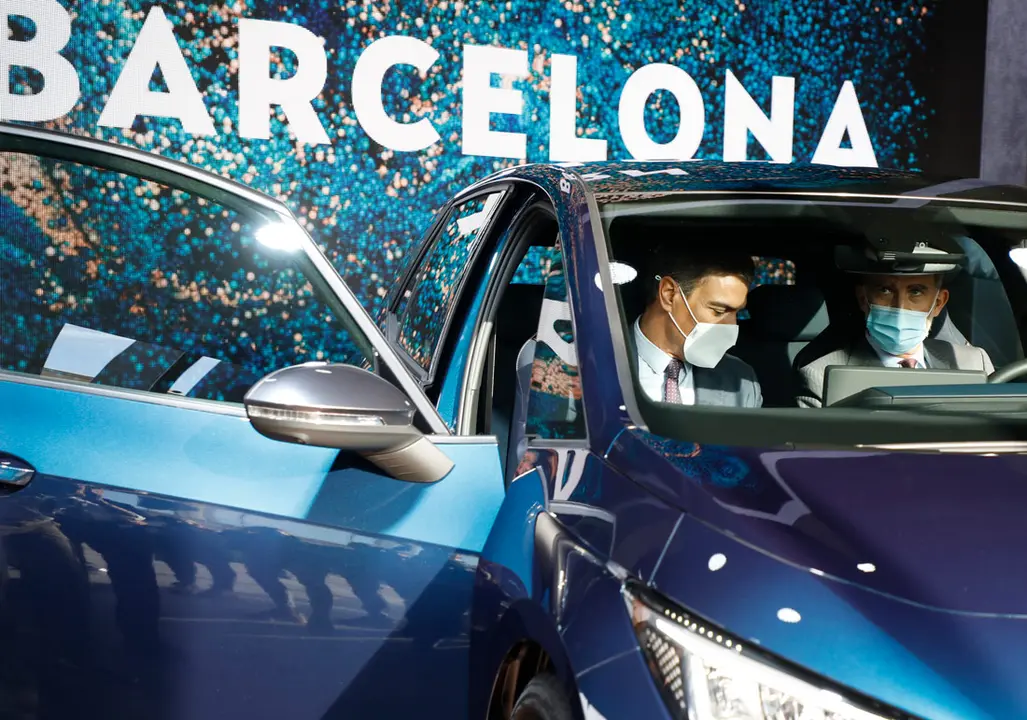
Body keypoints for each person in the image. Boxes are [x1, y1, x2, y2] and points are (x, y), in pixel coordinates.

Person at [795, 268, 994, 408]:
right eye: (886, 290)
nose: (900, 306)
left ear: (939, 303)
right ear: (863, 299)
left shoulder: (974, 363)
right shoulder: (821, 376)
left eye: (916, 291)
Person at [635, 250, 763, 407]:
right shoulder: (600, 364)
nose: (732, 326)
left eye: (737, 312)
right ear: (669, 295)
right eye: (718, 311)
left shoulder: (740, 381)